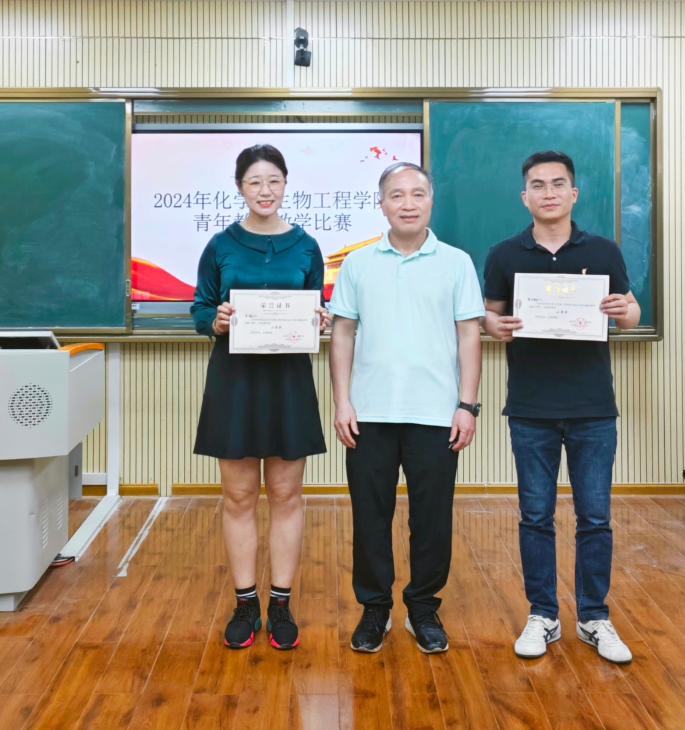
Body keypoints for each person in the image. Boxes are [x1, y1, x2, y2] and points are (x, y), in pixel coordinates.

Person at [482, 150, 641, 664]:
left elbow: (631, 312)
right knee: (536, 515)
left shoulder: (604, 251)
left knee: (595, 516)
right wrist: (495, 326)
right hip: (531, 407)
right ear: (523, 196)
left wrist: (623, 310)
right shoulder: (505, 255)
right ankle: (543, 615)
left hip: (593, 407)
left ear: (574, 193)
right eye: (537, 185)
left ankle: (594, 617)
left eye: (557, 184)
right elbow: (489, 315)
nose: (547, 193)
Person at [329, 161, 483, 654]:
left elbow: (469, 335)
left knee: (432, 518)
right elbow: (342, 333)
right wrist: (342, 401)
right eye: (397, 195)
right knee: (369, 516)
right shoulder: (358, 263)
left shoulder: (457, 262)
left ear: (431, 201)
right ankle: (375, 609)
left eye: (418, 194)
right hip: (369, 413)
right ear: (382, 204)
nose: (408, 203)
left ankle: (423, 608)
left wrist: (467, 405)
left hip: (436, 413)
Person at [191, 144, 330, 651]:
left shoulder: (306, 246)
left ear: (286, 184)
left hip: (289, 381)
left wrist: (321, 320)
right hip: (235, 381)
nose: (265, 190)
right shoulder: (220, 245)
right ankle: (245, 603)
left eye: (273, 181)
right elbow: (200, 308)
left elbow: (318, 304)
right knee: (239, 496)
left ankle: (281, 603)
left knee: (287, 495)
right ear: (240, 188)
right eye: (254, 182)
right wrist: (215, 320)